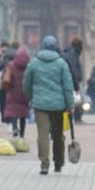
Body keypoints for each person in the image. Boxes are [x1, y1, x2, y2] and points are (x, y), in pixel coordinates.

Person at [24, 35, 75, 175]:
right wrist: (70, 104)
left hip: (40, 105)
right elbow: (68, 86)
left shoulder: (34, 63)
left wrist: (30, 97)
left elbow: (26, 82)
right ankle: (58, 163)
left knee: (43, 136)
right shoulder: (61, 63)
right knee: (58, 135)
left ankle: (44, 163)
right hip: (58, 106)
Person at [2, 45, 31, 138]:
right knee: (23, 113)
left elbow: (5, 77)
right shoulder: (29, 66)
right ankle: (22, 134)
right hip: (24, 92)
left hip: (13, 91)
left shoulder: (11, 65)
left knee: (14, 111)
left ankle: (14, 128)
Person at [61, 35, 85, 123]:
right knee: (77, 100)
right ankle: (77, 118)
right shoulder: (74, 54)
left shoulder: (68, 52)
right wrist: (77, 87)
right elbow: (73, 70)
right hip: (73, 81)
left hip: (67, 80)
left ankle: (72, 117)